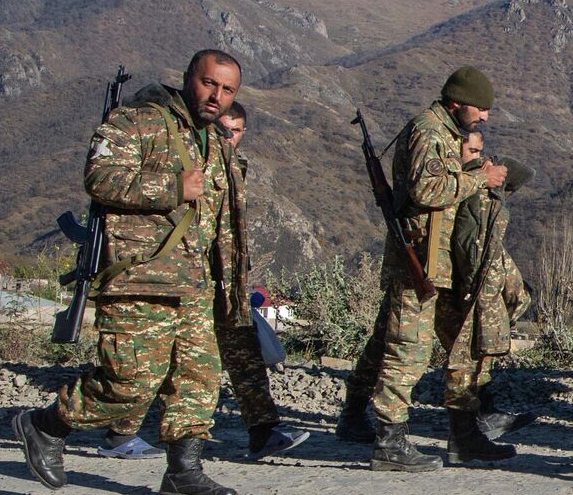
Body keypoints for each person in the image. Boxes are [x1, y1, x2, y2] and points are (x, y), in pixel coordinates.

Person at [12, 50, 247, 495]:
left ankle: (184, 470)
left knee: (198, 381)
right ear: (188, 78)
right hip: (141, 278)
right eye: (209, 84)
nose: (216, 96)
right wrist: (175, 187)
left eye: (227, 89)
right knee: (129, 382)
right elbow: (99, 178)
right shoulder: (137, 122)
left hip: (196, 283)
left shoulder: (216, 141)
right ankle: (45, 425)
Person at [97, 100, 309, 462]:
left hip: (222, 279)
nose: (230, 136)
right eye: (224, 128)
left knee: (242, 353)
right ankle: (119, 433)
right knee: (152, 358)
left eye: (237, 130)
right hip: (175, 277)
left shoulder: (232, 165)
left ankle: (262, 430)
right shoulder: (184, 160)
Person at [336, 67, 516, 470]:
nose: (485, 117)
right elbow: (427, 190)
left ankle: (465, 436)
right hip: (421, 263)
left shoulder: (446, 134)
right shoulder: (428, 132)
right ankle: (390, 442)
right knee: (408, 352)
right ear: (456, 101)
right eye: (480, 108)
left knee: (458, 349)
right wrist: (479, 179)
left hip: (444, 262)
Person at [447, 130, 535, 457]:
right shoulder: (464, 195)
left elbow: (525, 174)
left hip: (471, 287)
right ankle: (462, 437)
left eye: (481, 152)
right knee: (460, 361)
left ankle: (474, 425)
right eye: (471, 151)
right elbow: (472, 254)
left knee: (471, 360)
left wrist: (492, 173)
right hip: (455, 286)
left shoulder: (479, 192)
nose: (479, 159)